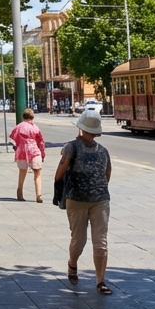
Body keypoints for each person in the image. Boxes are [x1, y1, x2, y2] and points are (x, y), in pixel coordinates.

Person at [56, 109, 114, 295]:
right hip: (81, 200)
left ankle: (100, 280)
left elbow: (58, 174)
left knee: (96, 242)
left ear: (81, 128)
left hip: (97, 201)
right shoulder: (72, 147)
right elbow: (107, 176)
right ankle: (73, 265)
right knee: (83, 240)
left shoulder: (101, 151)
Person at [10, 108, 47, 203]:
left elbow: (13, 138)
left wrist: (18, 146)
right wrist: (42, 153)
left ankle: (20, 192)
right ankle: (39, 195)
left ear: (23, 117)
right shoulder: (35, 128)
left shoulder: (18, 127)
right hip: (34, 150)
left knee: (22, 172)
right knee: (37, 173)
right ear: (32, 117)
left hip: (22, 151)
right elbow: (41, 142)